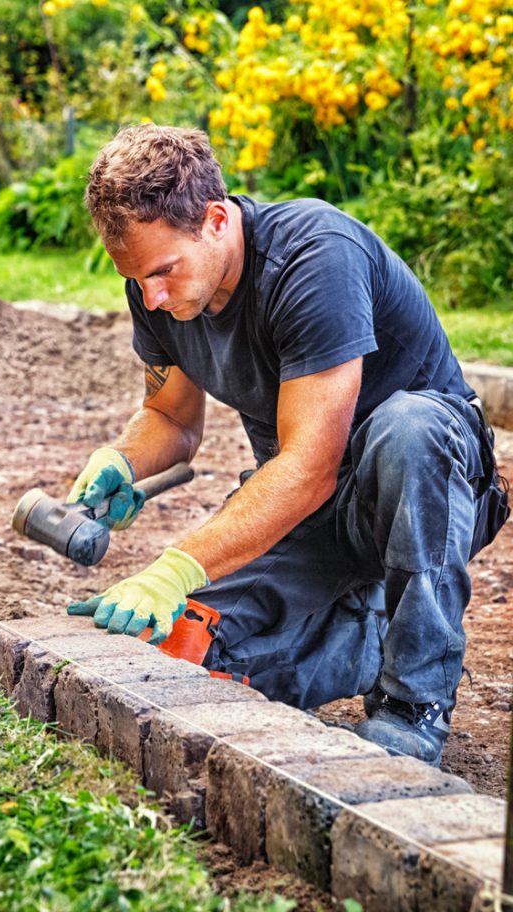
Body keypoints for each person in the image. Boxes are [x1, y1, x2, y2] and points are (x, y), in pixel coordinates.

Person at [65, 124, 509, 766]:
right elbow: (170, 415)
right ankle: (364, 632)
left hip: (424, 494)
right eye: (135, 279)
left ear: (216, 220)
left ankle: (414, 705)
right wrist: (122, 460)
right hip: (311, 511)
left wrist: (174, 566)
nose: (152, 297)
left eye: (163, 272)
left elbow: (310, 467)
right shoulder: (155, 290)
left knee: (409, 426)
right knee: (178, 646)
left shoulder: (312, 256)